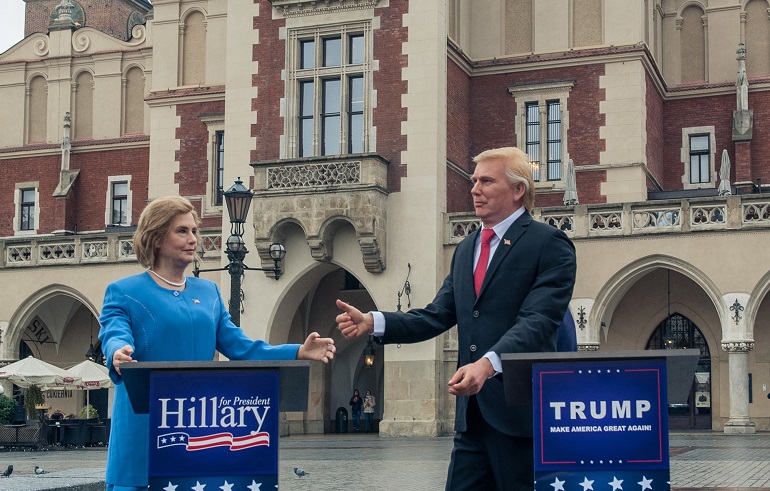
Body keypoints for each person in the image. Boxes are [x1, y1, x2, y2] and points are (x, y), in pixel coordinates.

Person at [336, 146, 576, 490]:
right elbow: (437, 315)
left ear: (518, 189)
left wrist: (487, 364)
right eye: (474, 181)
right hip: (471, 419)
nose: (474, 189)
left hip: (520, 417)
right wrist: (375, 322)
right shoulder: (466, 248)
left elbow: (538, 321)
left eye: (486, 181)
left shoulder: (549, 243)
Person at [99, 196, 336, 491]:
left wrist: (298, 351)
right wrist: (117, 352)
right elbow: (114, 332)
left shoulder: (209, 292)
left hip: (198, 435)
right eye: (182, 231)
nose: (193, 239)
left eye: (194, 231)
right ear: (157, 238)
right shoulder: (124, 291)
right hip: (142, 436)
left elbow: (242, 348)